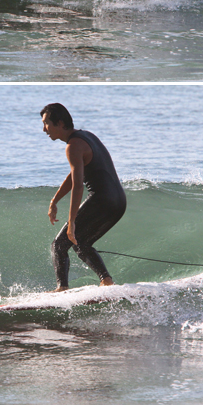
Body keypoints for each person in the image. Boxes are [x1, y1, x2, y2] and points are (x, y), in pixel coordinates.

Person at [40, 103, 126, 289]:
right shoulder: (86, 136)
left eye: (47, 123)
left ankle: (62, 288)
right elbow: (74, 175)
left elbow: (78, 186)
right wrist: (55, 200)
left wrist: (72, 222)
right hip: (118, 201)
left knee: (59, 245)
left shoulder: (73, 146)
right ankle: (106, 281)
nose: (44, 129)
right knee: (81, 243)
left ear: (60, 123)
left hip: (101, 200)